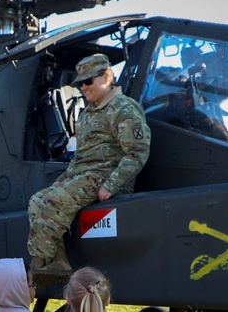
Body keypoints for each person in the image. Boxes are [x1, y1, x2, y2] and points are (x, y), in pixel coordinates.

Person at [28, 53, 151, 285]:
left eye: (88, 81)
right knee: (37, 200)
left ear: (106, 76)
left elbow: (137, 152)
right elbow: (80, 159)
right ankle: (56, 263)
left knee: (54, 201)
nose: (83, 87)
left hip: (107, 176)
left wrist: (112, 184)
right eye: (80, 82)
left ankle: (40, 265)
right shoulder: (86, 115)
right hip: (85, 177)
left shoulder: (123, 108)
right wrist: (63, 179)